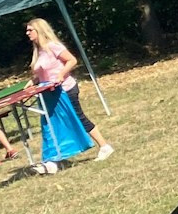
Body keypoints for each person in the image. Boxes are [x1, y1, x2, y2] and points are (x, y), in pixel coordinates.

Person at [25, 17, 115, 173]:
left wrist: (61, 74)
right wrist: (33, 81)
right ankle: (54, 160)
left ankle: (105, 146)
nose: (27, 33)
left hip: (66, 90)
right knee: (52, 124)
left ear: (39, 30)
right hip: (50, 94)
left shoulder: (53, 46)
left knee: (78, 118)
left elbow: (72, 60)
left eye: (30, 30)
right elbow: (43, 73)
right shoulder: (38, 51)